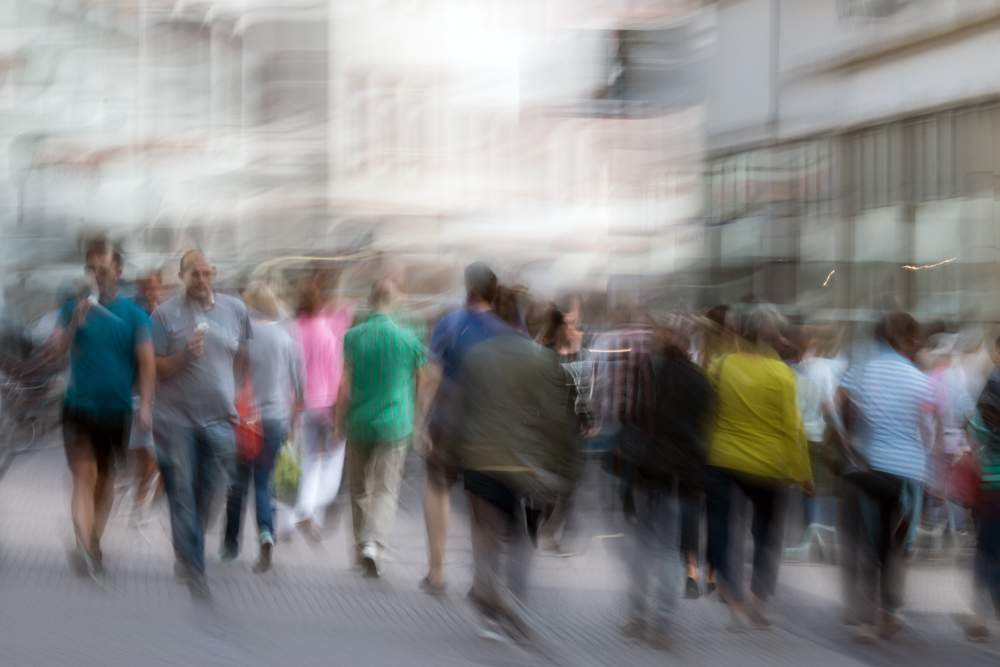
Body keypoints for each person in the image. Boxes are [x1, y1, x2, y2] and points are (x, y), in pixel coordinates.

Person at [455, 307, 579, 643]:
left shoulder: (476, 355)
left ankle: (487, 594)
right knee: (520, 536)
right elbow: (556, 417)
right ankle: (508, 599)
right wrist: (566, 467)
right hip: (517, 462)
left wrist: (451, 454)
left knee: (485, 531)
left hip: (479, 458)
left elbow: (460, 407)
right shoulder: (539, 359)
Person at [44, 237, 155, 577]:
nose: (96, 275)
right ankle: (83, 546)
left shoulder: (135, 316)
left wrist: (146, 406)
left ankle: (91, 542)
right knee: (84, 476)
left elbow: (147, 364)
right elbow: (53, 355)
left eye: (103, 269)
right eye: (91, 269)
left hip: (117, 411)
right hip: (78, 408)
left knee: (105, 483)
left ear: (118, 271)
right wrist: (74, 324)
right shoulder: (71, 309)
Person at [704, 305, 813, 630]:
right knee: (766, 535)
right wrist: (803, 474)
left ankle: (734, 601)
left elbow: (708, 410)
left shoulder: (721, 365)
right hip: (769, 465)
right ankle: (759, 601)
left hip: (723, 459)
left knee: (722, 529)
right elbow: (793, 430)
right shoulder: (783, 375)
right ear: (771, 337)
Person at [151, 249, 252, 599]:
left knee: (209, 493)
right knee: (181, 493)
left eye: (205, 273)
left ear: (214, 273)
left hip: (219, 421)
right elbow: (155, 367)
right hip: (175, 422)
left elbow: (241, 353)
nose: (200, 280)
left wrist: (233, 393)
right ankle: (194, 566)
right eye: (193, 274)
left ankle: (187, 544)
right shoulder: (164, 314)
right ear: (181, 277)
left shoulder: (235, 310)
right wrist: (183, 357)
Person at [836, 311, 935, 643]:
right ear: (907, 341)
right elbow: (927, 432)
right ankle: (888, 613)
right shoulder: (919, 378)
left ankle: (864, 619)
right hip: (906, 475)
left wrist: (849, 443)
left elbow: (837, 405)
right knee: (895, 547)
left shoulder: (863, 370)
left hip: (869, 468)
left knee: (868, 541)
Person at [419, 262, 510, 594]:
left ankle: (437, 572)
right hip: (488, 428)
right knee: (481, 502)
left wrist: (420, 422)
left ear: (468, 288)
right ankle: (481, 580)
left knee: (437, 489)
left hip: (448, 424)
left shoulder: (450, 323)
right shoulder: (505, 330)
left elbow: (430, 376)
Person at [337, 278, 433, 578]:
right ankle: (373, 545)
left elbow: (344, 385)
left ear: (370, 300)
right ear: (397, 302)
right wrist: (420, 420)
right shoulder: (408, 340)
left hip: (359, 421)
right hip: (395, 423)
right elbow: (426, 381)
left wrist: (337, 419)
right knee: (385, 489)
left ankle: (358, 551)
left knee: (358, 489)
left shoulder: (353, 337)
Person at [624, 328, 713, 649]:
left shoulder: (652, 373)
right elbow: (706, 427)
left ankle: (637, 616)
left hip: (649, 469)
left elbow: (636, 418)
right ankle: (662, 625)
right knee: (667, 548)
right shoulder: (701, 380)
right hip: (682, 475)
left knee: (643, 545)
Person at [222, 282, 302, 573]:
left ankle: (230, 548)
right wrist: (294, 422)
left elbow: (231, 380)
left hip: (246, 421)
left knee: (237, 485)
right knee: (264, 484)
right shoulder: (286, 335)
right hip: (276, 419)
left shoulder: (242, 335)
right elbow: (299, 385)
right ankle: (266, 534)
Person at [292, 273, 355, 540]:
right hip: (328, 403)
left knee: (308, 459)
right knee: (332, 459)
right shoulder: (329, 332)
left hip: (302, 404)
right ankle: (314, 505)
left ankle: (305, 510)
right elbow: (338, 371)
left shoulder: (295, 327)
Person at [965, 335, 1000, 641]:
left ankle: (980, 617)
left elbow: (976, 430)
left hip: (992, 483)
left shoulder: (992, 384)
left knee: (987, 550)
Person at [128, 268, 166, 522]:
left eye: (155, 288)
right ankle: (140, 502)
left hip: (163, 397)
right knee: (144, 457)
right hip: (138, 394)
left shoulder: (167, 317)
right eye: (146, 288)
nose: (150, 293)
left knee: (158, 456)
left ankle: (147, 503)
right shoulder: (136, 317)